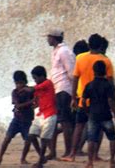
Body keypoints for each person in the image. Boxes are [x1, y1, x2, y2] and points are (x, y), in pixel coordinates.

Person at [62, 34, 114, 162]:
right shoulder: (106, 60)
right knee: (100, 127)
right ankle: (95, 155)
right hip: (100, 101)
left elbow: (75, 78)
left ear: (89, 45)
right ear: (100, 46)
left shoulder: (80, 58)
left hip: (83, 99)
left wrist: (73, 97)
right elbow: (110, 83)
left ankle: (72, 154)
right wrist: (112, 102)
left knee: (79, 126)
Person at [0, 71, 34, 165]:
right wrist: (31, 102)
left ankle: (23, 158)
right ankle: (0, 158)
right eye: (17, 83)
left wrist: (28, 92)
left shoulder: (28, 91)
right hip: (17, 120)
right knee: (7, 138)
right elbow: (18, 106)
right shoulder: (15, 92)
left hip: (27, 120)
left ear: (25, 82)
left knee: (27, 141)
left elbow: (33, 91)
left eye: (21, 83)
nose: (19, 85)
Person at [82, 61, 115, 168]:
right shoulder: (108, 85)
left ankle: (90, 162)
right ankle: (112, 161)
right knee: (112, 138)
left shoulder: (89, 85)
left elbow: (84, 101)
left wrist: (87, 111)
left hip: (93, 115)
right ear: (105, 71)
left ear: (93, 71)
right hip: (106, 115)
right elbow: (110, 101)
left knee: (91, 139)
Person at [46, 29, 75, 159]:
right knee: (55, 122)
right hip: (57, 89)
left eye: (49, 37)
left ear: (54, 38)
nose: (47, 39)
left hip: (64, 89)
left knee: (65, 123)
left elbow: (71, 73)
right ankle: (53, 152)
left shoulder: (64, 51)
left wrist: (74, 94)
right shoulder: (56, 51)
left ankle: (68, 151)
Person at [21, 66, 57, 168]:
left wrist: (23, 88)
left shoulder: (48, 83)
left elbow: (33, 89)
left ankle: (40, 162)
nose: (35, 81)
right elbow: (36, 102)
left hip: (50, 114)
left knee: (44, 139)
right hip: (41, 114)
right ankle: (43, 157)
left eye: (36, 78)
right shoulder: (39, 86)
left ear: (42, 76)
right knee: (31, 136)